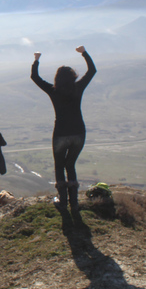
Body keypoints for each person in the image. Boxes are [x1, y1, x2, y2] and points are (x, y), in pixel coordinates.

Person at [31, 46, 97, 212]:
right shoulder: (78, 87)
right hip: (79, 133)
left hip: (61, 133)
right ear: (73, 77)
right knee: (71, 165)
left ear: (57, 79)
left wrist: (36, 59)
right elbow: (92, 70)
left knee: (59, 166)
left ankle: (62, 201)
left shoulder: (53, 91)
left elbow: (34, 77)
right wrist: (84, 53)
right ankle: (74, 203)